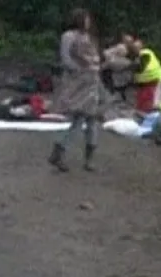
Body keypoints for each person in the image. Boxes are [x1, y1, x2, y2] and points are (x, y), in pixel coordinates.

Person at [48, 8, 101, 172]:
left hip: (91, 84)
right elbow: (66, 59)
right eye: (86, 19)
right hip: (78, 84)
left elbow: (95, 57)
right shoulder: (69, 36)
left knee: (89, 120)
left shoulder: (88, 38)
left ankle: (72, 154)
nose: (88, 22)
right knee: (80, 119)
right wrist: (81, 70)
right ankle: (63, 152)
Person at [127, 38, 161, 114]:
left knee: (151, 107)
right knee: (144, 107)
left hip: (155, 83)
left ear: (142, 46)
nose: (135, 47)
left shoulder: (145, 53)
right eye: (134, 46)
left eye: (137, 46)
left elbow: (139, 67)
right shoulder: (137, 57)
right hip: (146, 85)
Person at [101, 33, 134, 101]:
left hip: (118, 78)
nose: (130, 43)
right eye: (128, 41)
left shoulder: (116, 56)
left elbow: (104, 65)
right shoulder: (121, 51)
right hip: (122, 78)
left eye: (131, 42)